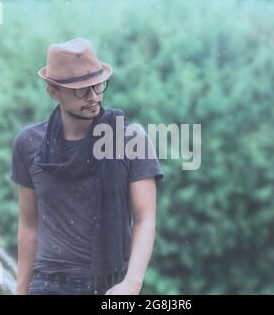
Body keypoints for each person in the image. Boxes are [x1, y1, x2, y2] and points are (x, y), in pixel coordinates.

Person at [10, 38, 163, 295]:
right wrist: (21, 290)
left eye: (98, 85)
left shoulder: (129, 139)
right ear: (53, 92)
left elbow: (145, 219)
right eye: (81, 90)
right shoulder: (28, 143)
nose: (93, 97)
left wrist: (132, 284)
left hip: (109, 287)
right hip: (47, 285)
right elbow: (28, 225)